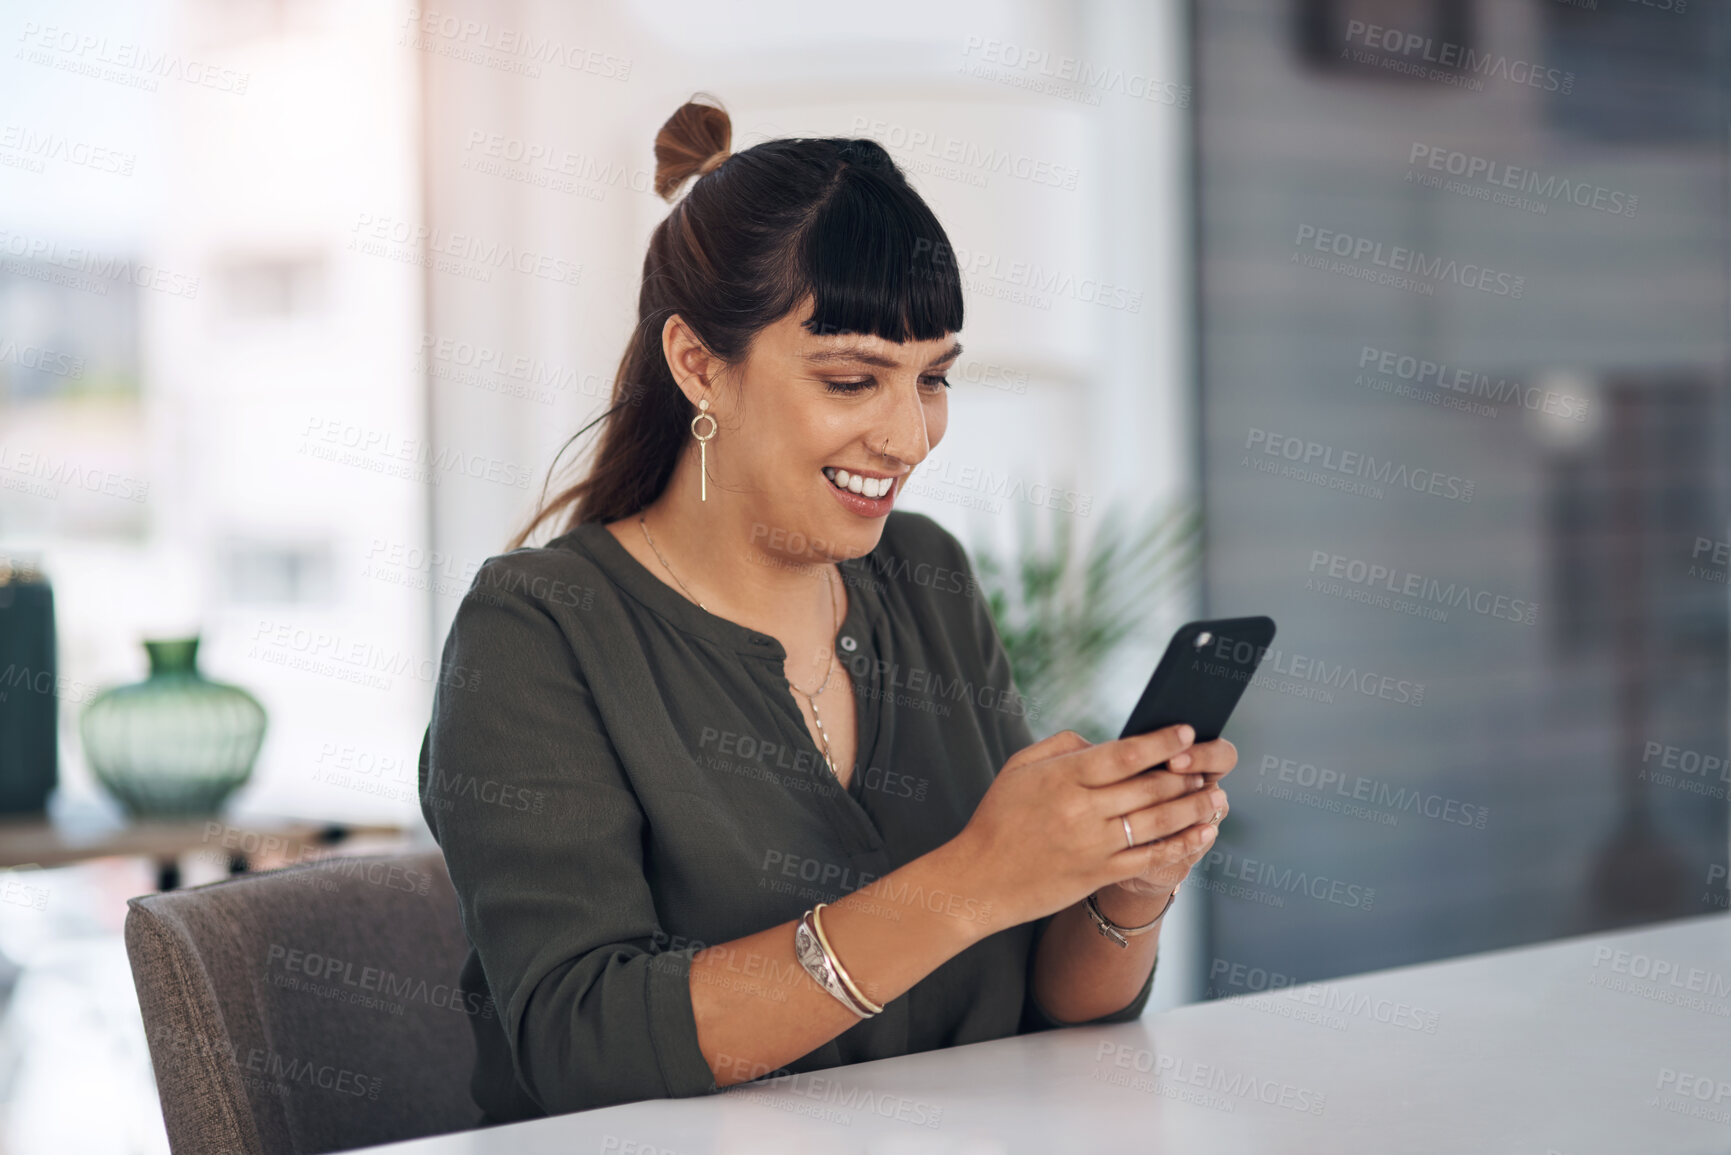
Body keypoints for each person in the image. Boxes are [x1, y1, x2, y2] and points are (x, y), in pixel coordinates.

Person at [417, 92, 1235, 1123]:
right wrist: (972, 881)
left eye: (932, 380)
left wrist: (1125, 883)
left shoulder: (923, 580)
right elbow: (586, 1044)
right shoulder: (538, 634)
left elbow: (1048, 1013)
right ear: (698, 364)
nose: (909, 438)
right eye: (854, 381)